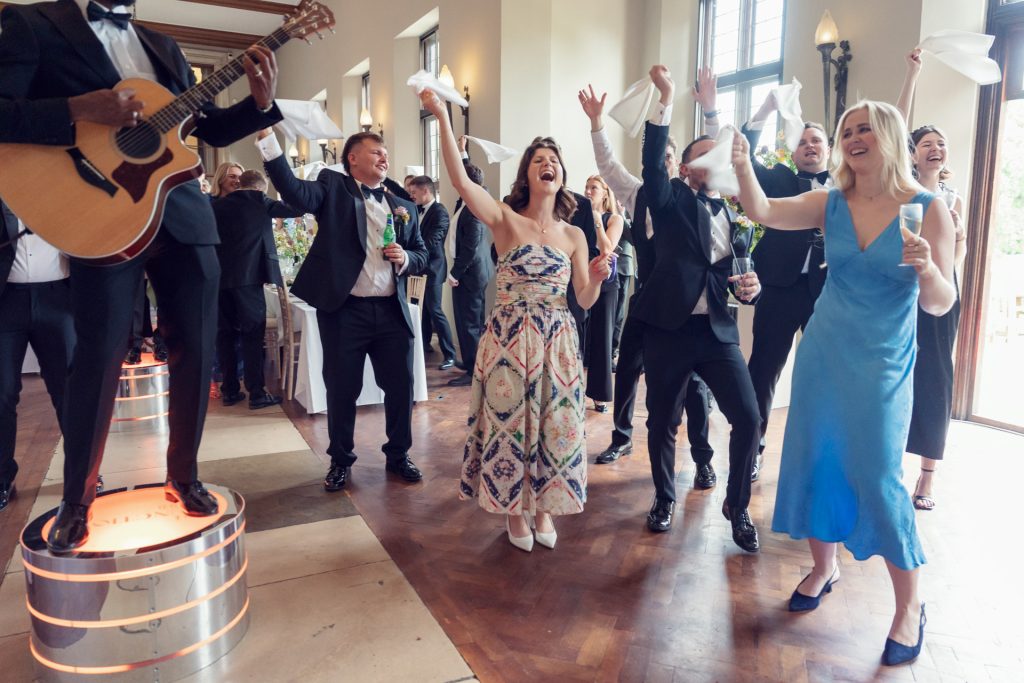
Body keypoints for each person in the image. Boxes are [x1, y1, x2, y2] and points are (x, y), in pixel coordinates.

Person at [0, 0, 285, 552]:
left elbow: (206, 128)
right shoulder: (33, 23)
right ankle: (77, 499)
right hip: (97, 209)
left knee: (199, 351)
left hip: (181, 211)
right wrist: (77, 108)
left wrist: (261, 104)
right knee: (97, 357)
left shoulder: (165, 47)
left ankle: (184, 476)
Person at [733, 100, 956, 664]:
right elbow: (761, 209)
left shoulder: (928, 209)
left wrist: (927, 266)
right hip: (825, 355)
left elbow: (939, 303)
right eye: (846, 131)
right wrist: (741, 163)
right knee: (816, 458)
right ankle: (823, 567)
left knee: (878, 474)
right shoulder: (829, 203)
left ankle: (909, 606)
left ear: (888, 135)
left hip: (883, 361)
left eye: (864, 129)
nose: (853, 138)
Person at [420, 88, 610, 553]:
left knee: (554, 425)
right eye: (538, 158)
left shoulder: (575, 235)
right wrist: (443, 118)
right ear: (527, 172)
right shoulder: (505, 219)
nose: (548, 163)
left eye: (555, 159)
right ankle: (512, 510)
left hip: (559, 337)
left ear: (560, 175)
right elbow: (463, 182)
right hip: (509, 337)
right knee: (509, 424)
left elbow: (583, 298)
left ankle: (544, 506)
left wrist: (600, 277)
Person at [632, 66, 762, 552]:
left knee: (748, 417)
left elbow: (739, 276)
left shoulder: (732, 213)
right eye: (703, 152)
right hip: (668, 329)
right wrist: (667, 101)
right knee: (662, 420)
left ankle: (738, 504)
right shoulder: (668, 202)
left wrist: (751, 288)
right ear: (684, 169)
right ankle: (664, 497)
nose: (715, 155)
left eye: (716, 151)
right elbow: (651, 165)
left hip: (717, 334)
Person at [258, 128, 428, 492]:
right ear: (352, 158)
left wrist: (407, 258)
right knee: (341, 389)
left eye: (386, 153)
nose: (385, 158)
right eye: (376, 152)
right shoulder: (332, 187)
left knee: (400, 388)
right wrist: (269, 140)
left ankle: (399, 454)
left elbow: (423, 253)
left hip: (391, 312)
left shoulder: (404, 206)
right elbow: (294, 191)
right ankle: (340, 459)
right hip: (345, 310)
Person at [577, 83, 715, 480]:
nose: (664, 163)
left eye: (670, 157)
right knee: (628, 367)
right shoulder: (639, 195)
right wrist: (597, 122)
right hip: (647, 303)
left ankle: (704, 459)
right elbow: (607, 166)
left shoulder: (696, 202)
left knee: (694, 386)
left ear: (678, 165)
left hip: (686, 310)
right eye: (661, 157)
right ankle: (621, 436)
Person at [740, 94, 831, 480]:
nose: (810, 146)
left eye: (817, 141)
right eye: (803, 141)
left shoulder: (846, 187)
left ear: (828, 151)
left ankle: (817, 454)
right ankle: (753, 448)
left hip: (829, 294)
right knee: (764, 369)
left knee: (825, 375)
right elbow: (744, 155)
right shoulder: (778, 178)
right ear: (793, 151)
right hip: (779, 285)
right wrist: (763, 112)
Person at [897, 48, 969, 511]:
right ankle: (890, 465)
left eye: (941, 144)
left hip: (942, 295)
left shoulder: (954, 198)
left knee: (936, 378)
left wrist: (948, 281)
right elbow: (896, 127)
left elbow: (958, 251)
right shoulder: (904, 185)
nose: (936, 148)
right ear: (914, 153)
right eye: (927, 143)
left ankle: (927, 477)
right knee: (900, 375)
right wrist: (913, 73)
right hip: (902, 292)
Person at [0, 201, 75, 513]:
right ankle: (2, 477)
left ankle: (82, 471)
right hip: (6, 300)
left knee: (69, 390)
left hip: (59, 298)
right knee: (2, 393)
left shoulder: (61, 195)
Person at [212, 168, 304, 409]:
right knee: (253, 335)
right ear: (258, 188)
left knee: (226, 336)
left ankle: (230, 390)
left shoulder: (217, 205)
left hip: (219, 280)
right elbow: (297, 208)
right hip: (248, 279)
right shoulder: (259, 200)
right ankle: (257, 393)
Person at [446, 154, 494, 388]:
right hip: (475, 271)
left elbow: (470, 246)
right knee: (468, 320)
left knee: (469, 322)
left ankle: (474, 370)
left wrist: (455, 272)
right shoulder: (468, 199)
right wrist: (463, 154)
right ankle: (469, 361)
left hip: (470, 273)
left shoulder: (475, 205)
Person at [582, 175, 623, 413]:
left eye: (593, 188)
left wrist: (597, 219)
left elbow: (607, 248)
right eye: (586, 187)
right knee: (576, 336)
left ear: (605, 193)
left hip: (606, 283)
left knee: (601, 338)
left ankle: (599, 395)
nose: (588, 191)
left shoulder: (613, 218)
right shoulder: (578, 218)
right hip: (579, 279)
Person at [408, 175, 457, 369]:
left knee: (435, 310)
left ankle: (450, 354)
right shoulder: (417, 209)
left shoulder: (440, 212)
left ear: (425, 191)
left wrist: (411, 253)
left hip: (433, 269)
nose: (411, 196)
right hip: (418, 267)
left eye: (414, 192)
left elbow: (432, 241)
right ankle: (424, 344)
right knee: (422, 310)